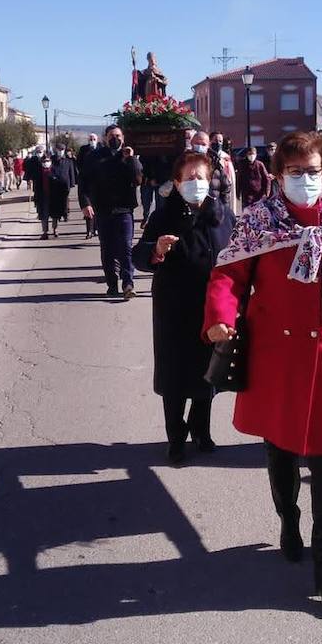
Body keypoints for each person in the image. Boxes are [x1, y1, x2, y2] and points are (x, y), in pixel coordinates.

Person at [204, 130, 322, 617]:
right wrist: (220, 315)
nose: (305, 180)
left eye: (313, 171)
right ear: (279, 174)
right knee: (280, 450)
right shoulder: (258, 222)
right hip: (277, 358)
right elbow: (228, 274)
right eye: (295, 172)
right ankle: (288, 518)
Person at [134, 151, 234, 463]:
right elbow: (138, 256)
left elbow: (237, 256)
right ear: (177, 183)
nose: (195, 183)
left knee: (208, 372)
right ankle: (176, 437)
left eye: (201, 177)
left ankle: (201, 431)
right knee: (176, 374)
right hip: (174, 306)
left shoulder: (223, 215)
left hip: (210, 306)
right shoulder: (163, 216)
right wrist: (156, 250)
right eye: (189, 178)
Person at [80, 124, 143, 298]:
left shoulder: (129, 156)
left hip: (124, 209)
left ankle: (128, 283)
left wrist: (131, 159)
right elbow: (83, 182)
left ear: (123, 138)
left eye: (118, 136)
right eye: (112, 136)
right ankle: (112, 284)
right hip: (103, 209)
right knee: (107, 250)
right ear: (105, 138)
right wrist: (86, 203)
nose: (115, 139)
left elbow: (138, 179)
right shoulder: (94, 157)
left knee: (125, 247)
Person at [77, 133, 103, 240]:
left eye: (94, 139)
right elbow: (79, 163)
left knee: (98, 209)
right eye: (90, 139)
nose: (92, 140)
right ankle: (89, 231)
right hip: (88, 182)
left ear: (97, 140)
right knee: (88, 208)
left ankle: (96, 228)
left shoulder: (102, 149)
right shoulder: (84, 150)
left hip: (100, 183)